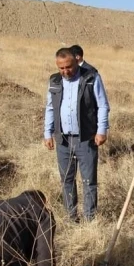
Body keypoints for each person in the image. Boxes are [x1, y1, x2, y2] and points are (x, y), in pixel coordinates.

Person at [44, 47, 110, 221]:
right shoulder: (54, 81)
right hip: (63, 139)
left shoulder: (91, 77)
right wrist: (47, 133)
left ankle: (89, 218)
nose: (66, 71)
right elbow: (50, 108)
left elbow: (103, 105)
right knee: (67, 180)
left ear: (76, 61)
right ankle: (71, 217)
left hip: (86, 138)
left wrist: (101, 130)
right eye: (61, 68)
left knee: (89, 181)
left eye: (69, 66)